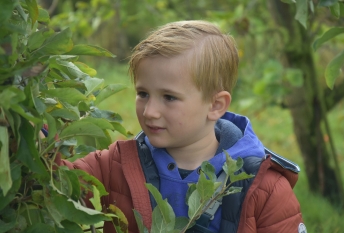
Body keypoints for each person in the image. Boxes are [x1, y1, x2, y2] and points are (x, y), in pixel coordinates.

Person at [57, 20, 305, 233]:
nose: (149, 111)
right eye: (143, 93)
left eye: (169, 97)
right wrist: (37, 133)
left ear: (215, 105)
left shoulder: (264, 185)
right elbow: (59, 185)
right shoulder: (119, 162)